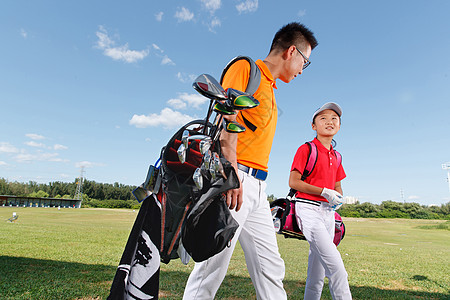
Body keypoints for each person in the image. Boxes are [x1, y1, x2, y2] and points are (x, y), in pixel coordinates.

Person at [183, 22, 318, 299]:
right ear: (291, 51)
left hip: (258, 188)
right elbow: (224, 119)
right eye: (305, 61)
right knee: (211, 267)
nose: (303, 69)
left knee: (271, 267)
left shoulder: (270, 89)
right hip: (234, 181)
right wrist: (229, 174)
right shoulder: (246, 69)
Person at [288, 102, 352, 300]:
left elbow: (337, 185)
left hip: (328, 214)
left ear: (339, 126)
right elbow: (294, 182)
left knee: (316, 274)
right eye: (323, 118)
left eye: (334, 118)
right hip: (308, 210)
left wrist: (337, 197)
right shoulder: (306, 149)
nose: (329, 122)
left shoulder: (337, 156)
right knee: (337, 269)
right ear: (313, 125)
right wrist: (324, 191)